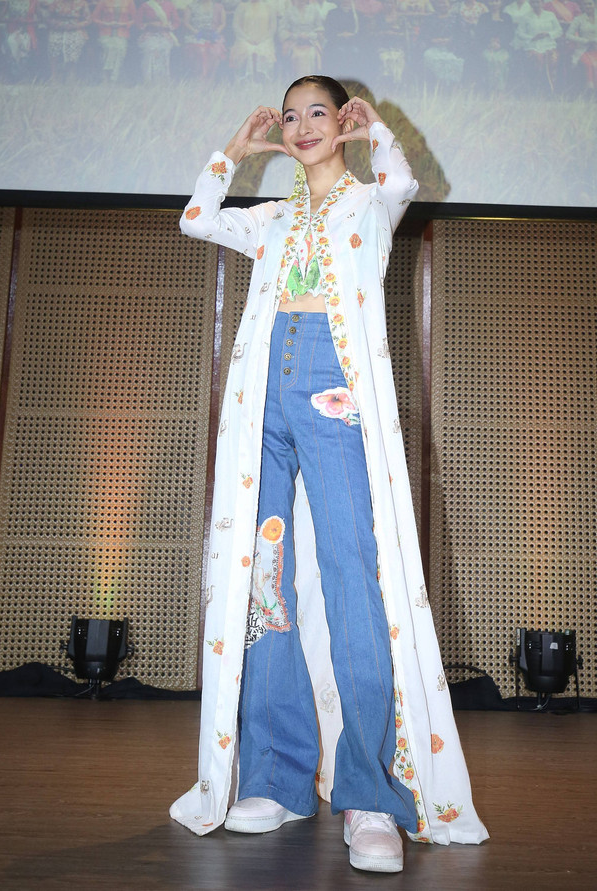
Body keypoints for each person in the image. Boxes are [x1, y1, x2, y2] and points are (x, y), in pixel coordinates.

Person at [169, 74, 488, 872]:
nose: (303, 126)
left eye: (319, 113)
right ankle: (276, 778)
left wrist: (376, 129)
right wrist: (234, 153)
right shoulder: (274, 217)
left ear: (341, 123)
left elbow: (406, 180)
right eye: (290, 117)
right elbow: (197, 219)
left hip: (335, 394)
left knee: (353, 577)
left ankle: (372, 796)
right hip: (266, 407)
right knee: (267, 581)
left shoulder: (368, 204)